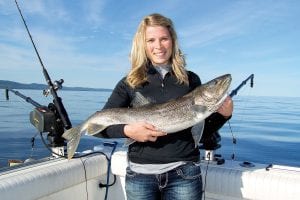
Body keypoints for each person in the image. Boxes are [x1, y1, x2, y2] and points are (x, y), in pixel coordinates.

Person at [100, 13, 233, 200]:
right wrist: (128, 131)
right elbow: (99, 129)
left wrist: (223, 116)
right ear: (143, 45)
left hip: (184, 174)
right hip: (140, 176)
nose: (158, 46)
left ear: (172, 40)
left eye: (164, 39)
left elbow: (201, 132)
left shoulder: (191, 79)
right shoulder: (128, 83)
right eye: (151, 40)